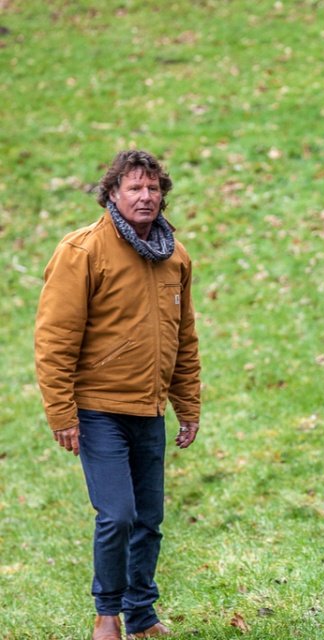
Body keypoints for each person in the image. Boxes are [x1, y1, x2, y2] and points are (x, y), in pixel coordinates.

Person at [34, 150, 201, 640]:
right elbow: (54, 339)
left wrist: (187, 405)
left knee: (149, 519)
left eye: (153, 188)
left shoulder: (175, 255)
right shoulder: (82, 251)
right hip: (97, 409)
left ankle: (142, 617)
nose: (145, 196)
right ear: (112, 193)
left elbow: (184, 338)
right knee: (118, 515)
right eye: (134, 188)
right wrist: (62, 413)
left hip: (149, 409)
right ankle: (107, 614)